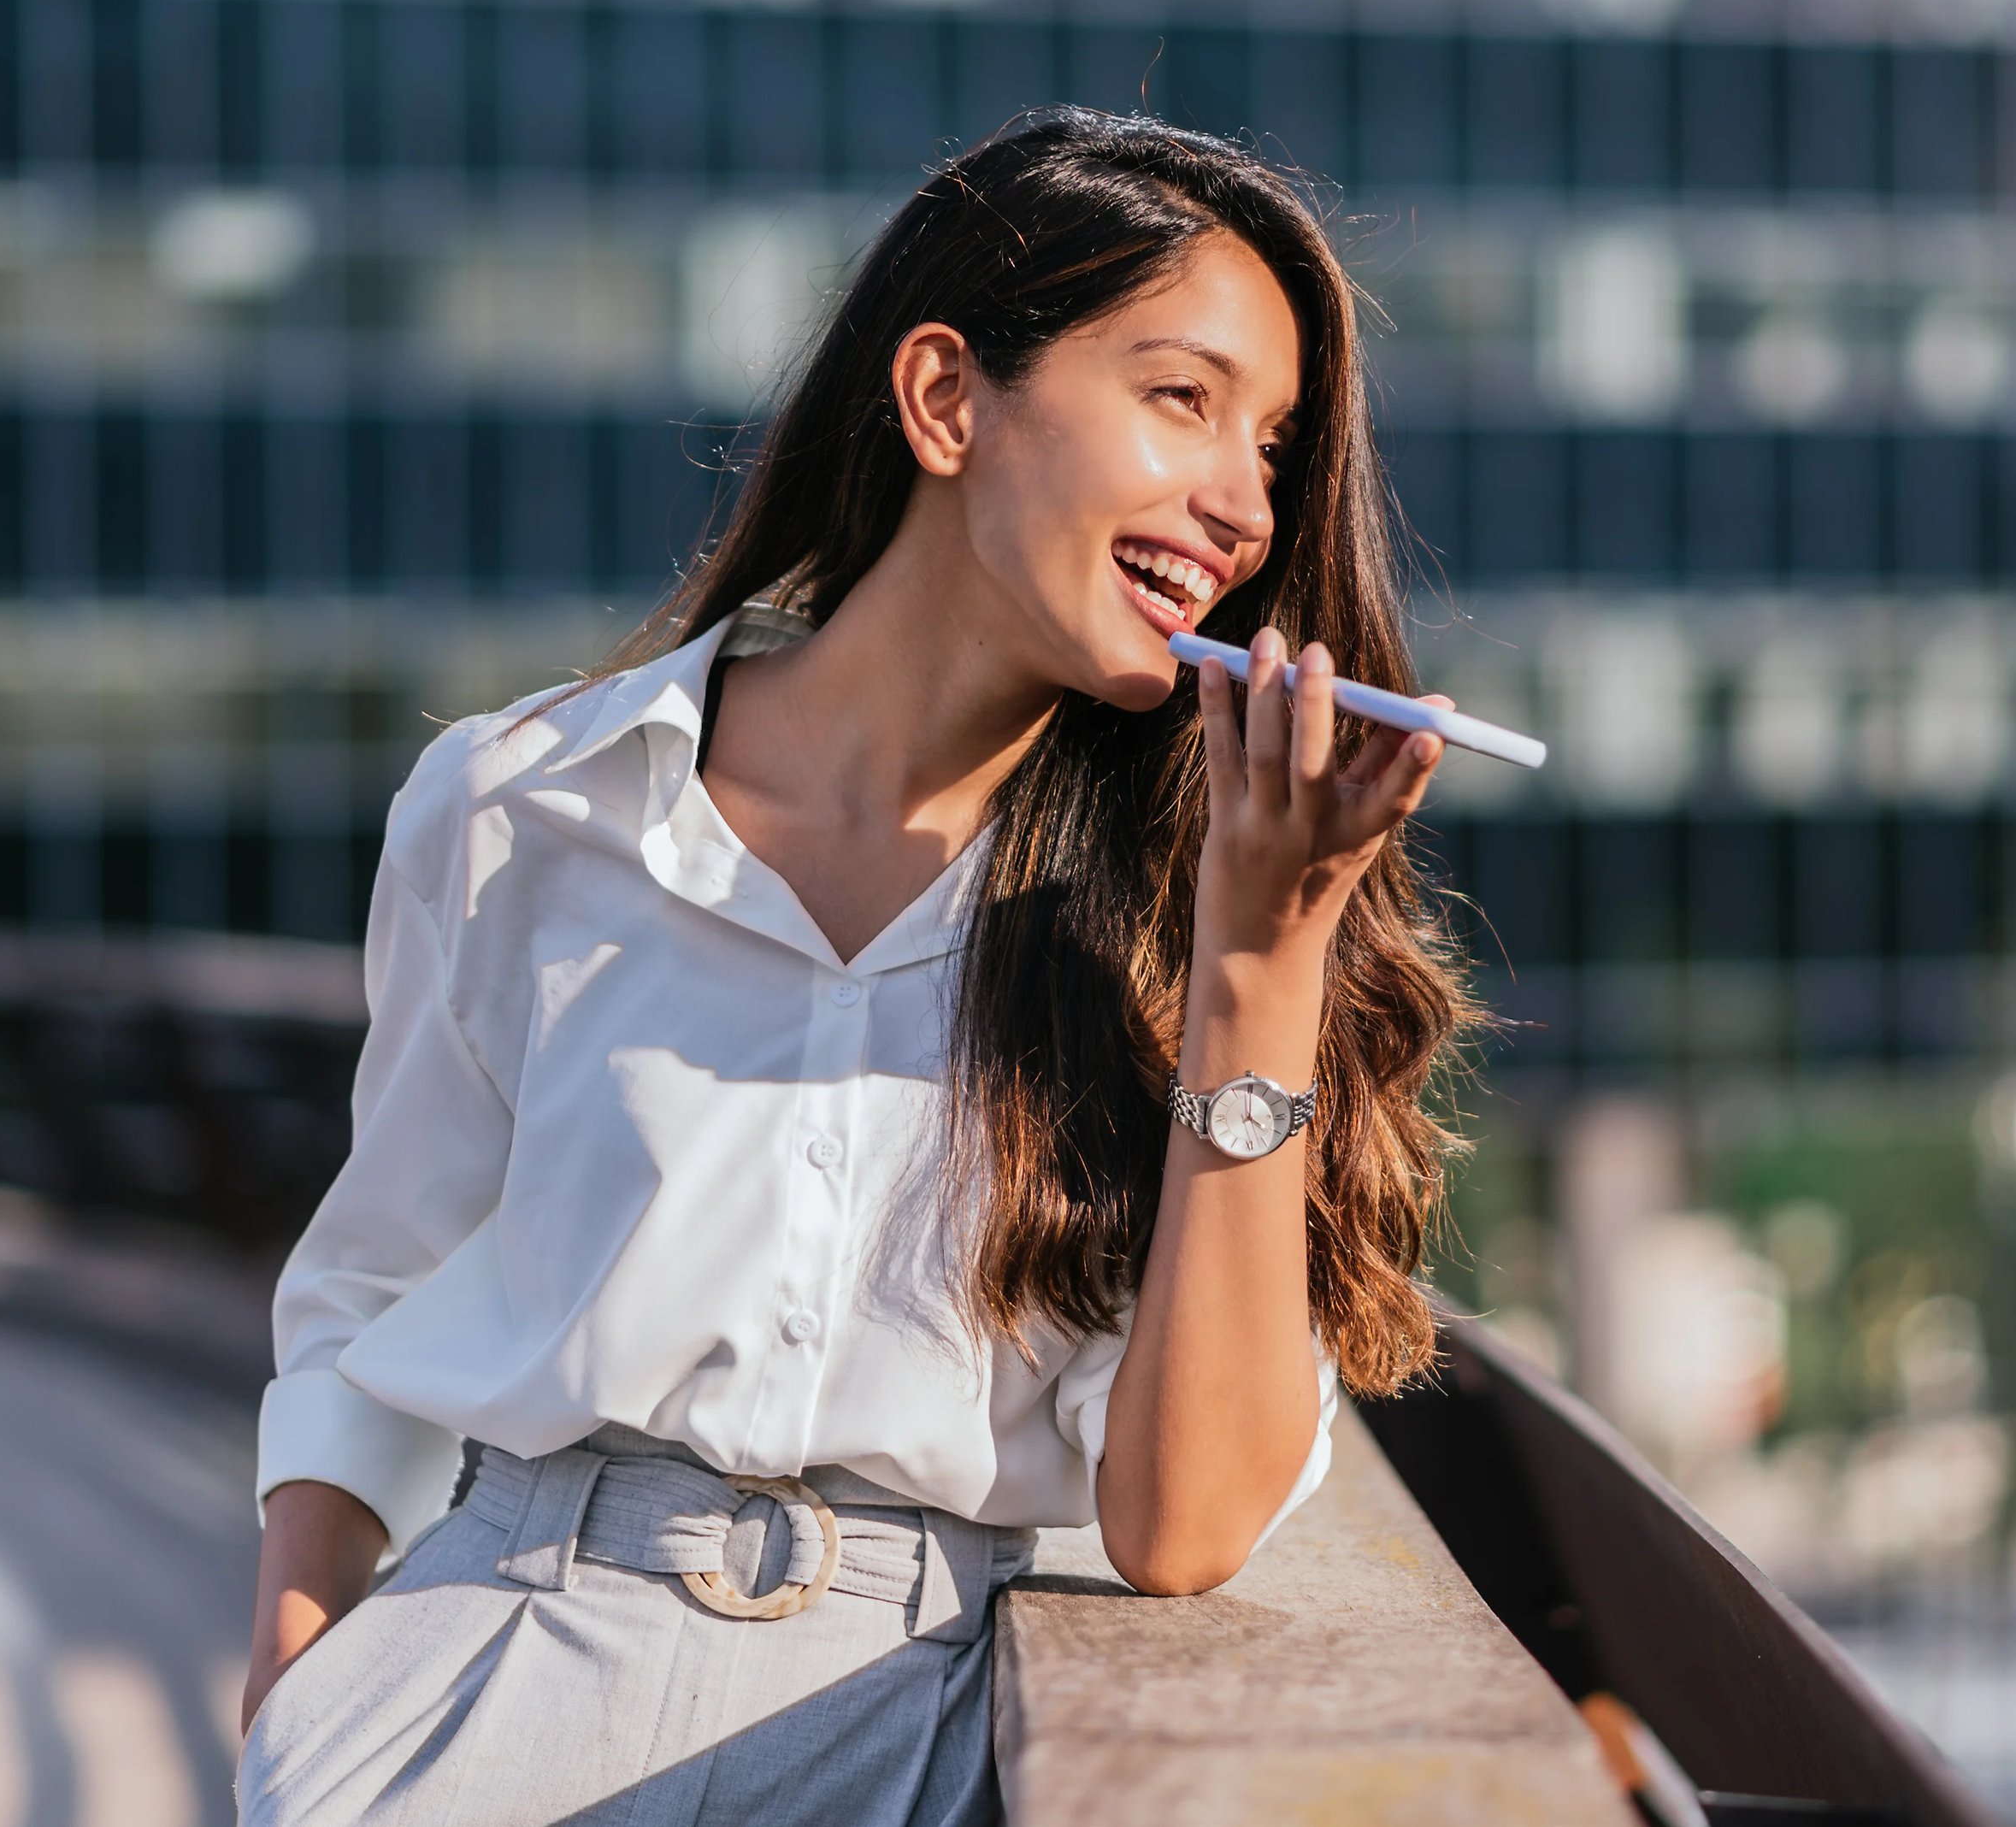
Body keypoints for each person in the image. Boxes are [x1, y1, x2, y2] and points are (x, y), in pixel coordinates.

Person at [233, 108, 1482, 1825]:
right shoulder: (527, 806)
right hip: (474, 1700)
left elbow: (1183, 1524)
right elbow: (374, 1279)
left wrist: (1260, 967)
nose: (1244, 506)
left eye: (1273, 445)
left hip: (910, 1724)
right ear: (947, 398)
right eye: (1184, 399)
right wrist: (298, 1682)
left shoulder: (1182, 924)